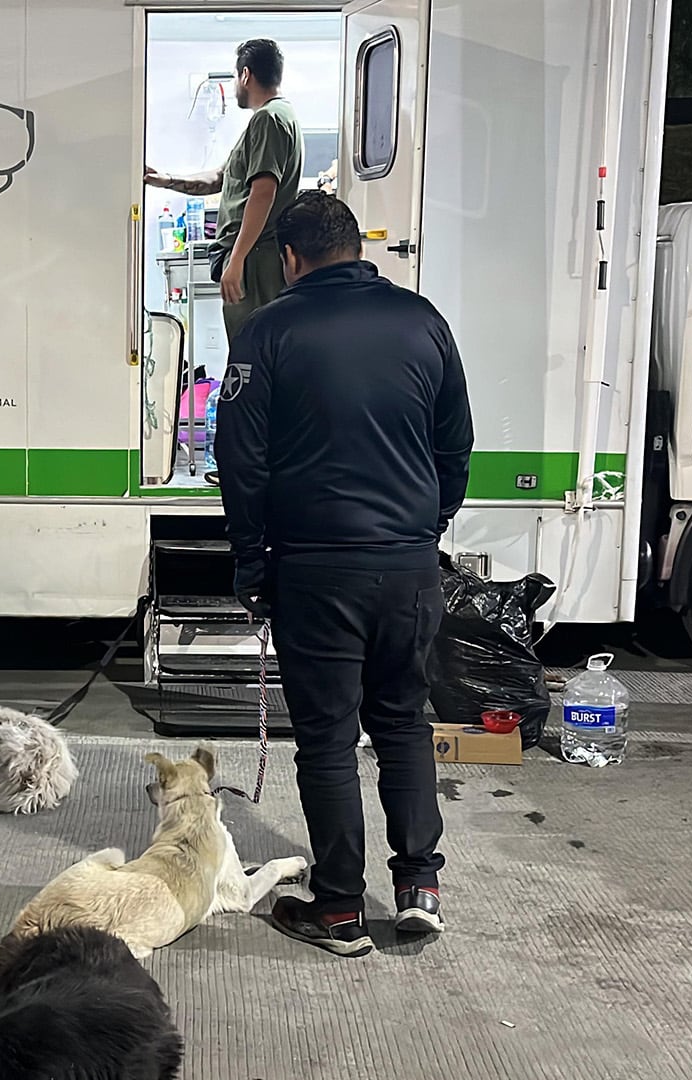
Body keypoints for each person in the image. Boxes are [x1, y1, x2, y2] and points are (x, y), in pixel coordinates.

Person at [214, 192, 474, 957]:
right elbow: (453, 448)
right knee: (404, 723)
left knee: (328, 740)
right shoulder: (425, 322)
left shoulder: (270, 331)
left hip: (315, 570)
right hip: (408, 566)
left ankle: (338, 910)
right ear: (359, 249)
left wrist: (251, 561)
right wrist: (424, 528)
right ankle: (419, 887)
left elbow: (241, 461)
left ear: (289, 259)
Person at [145, 38, 303, 348]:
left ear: (246, 75)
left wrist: (237, 260)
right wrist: (166, 180)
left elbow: (263, 193)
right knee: (257, 349)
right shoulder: (277, 117)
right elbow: (220, 177)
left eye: (234, 78)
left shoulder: (268, 119)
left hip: (256, 260)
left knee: (253, 354)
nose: (234, 86)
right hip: (255, 257)